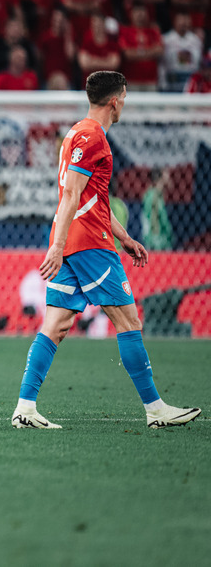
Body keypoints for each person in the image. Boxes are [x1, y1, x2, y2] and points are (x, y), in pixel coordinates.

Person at [11, 71, 201, 430]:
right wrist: (56, 247)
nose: (125, 103)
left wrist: (126, 238)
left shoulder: (76, 133)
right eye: (125, 97)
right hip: (89, 245)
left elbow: (92, 198)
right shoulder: (93, 137)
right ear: (115, 100)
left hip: (74, 240)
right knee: (128, 321)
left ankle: (25, 407)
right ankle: (156, 409)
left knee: (56, 324)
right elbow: (70, 194)